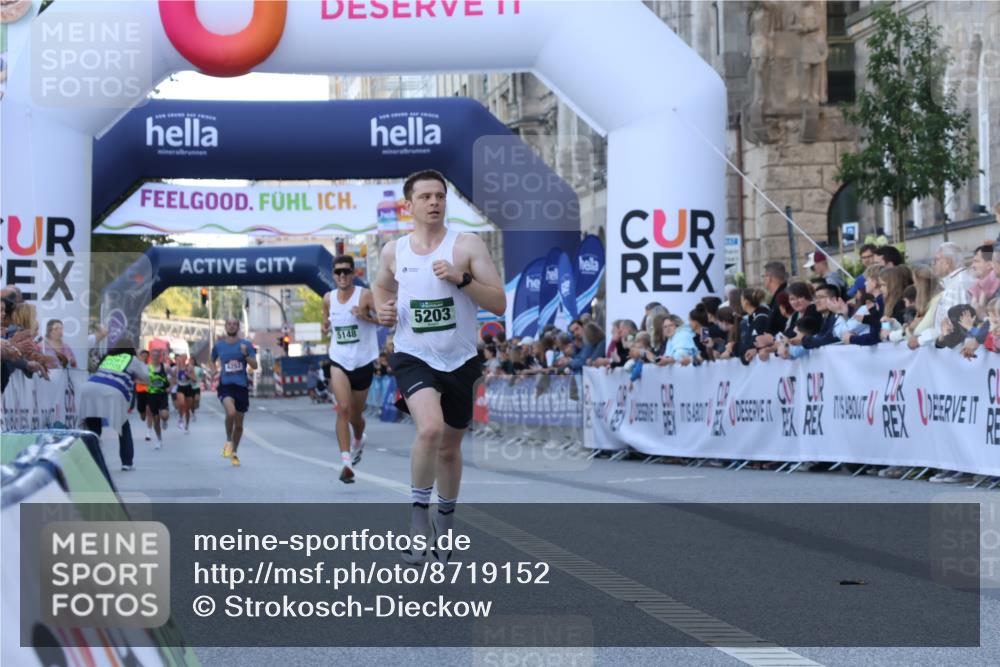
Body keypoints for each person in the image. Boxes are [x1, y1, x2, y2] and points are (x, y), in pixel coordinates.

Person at [372, 169, 505, 565]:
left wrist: (462, 280)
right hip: (414, 354)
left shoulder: (466, 245)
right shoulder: (394, 251)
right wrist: (383, 309)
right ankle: (417, 521)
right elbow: (381, 287)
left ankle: (445, 521)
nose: (434, 202)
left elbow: (498, 303)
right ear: (408, 205)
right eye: (426, 197)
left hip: (461, 358)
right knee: (429, 429)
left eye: (440, 196)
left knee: (449, 449)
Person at [322, 254, 380, 483]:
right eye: (338, 272)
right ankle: (346, 463)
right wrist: (326, 325)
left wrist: (365, 317)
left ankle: (358, 439)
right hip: (339, 360)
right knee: (343, 409)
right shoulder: (328, 298)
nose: (342, 276)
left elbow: (386, 320)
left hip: (363, 362)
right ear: (333, 275)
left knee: (356, 415)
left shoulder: (365, 295)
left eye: (346, 271)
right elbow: (326, 320)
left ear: (354, 273)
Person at [77, 338, 148, 471]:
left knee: (93, 428)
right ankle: (127, 462)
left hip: (90, 388)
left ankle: (92, 461)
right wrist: (140, 363)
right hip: (112, 391)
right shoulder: (131, 359)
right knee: (123, 427)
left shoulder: (108, 357)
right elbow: (146, 377)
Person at [212, 317, 258, 467]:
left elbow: (255, 365)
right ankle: (228, 440)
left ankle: (235, 452)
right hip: (225, 385)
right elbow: (213, 359)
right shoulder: (219, 346)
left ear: (238, 327)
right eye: (229, 324)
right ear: (225, 327)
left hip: (241, 387)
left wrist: (245, 355)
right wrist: (213, 370)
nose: (231, 326)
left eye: (234, 324)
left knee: (239, 425)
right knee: (230, 413)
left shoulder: (246, 345)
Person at [145, 348, 173, 449]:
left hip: (162, 394)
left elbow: (174, 377)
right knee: (156, 420)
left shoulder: (165, 367)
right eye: (154, 355)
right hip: (151, 395)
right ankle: (159, 439)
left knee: (164, 415)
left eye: (157, 355)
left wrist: (170, 387)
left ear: (160, 357)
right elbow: (141, 378)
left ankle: (165, 420)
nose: (155, 357)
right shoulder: (147, 368)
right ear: (151, 356)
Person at [175, 354, 195, 434]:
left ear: (186, 359)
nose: (181, 360)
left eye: (183, 358)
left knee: (187, 409)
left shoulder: (189, 367)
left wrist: (189, 375)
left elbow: (195, 379)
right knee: (182, 403)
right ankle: (180, 418)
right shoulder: (177, 368)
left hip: (188, 388)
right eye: (180, 358)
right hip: (180, 387)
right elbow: (173, 378)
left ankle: (187, 425)